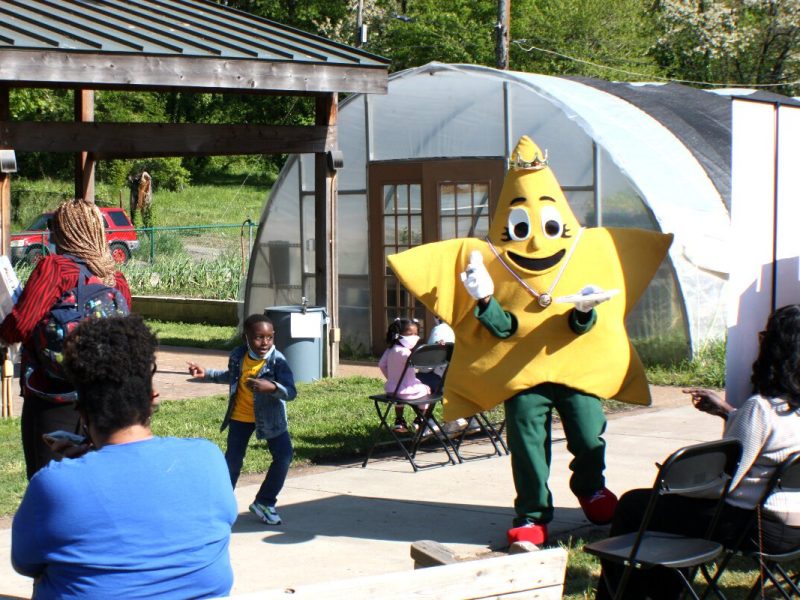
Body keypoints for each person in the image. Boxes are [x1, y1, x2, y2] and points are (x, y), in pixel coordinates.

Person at [11, 315, 237, 599]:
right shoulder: (209, 460)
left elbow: (25, 562)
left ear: (81, 413)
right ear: (152, 398)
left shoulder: (55, 484)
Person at [595, 304, 800, 599]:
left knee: (637, 506)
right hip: (793, 530)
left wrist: (680, 484)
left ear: (773, 349)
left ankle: (625, 594)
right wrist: (728, 412)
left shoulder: (760, 409)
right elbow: (773, 444)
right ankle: (663, 589)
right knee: (671, 510)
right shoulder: (781, 410)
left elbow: (725, 480)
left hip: (757, 528)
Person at [0, 198, 132, 480]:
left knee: (50, 484)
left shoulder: (55, 268)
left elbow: (19, 328)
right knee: (97, 482)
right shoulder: (116, 278)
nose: (51, 234)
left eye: (54, 227)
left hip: (54, 397)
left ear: (66, 232)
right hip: (106, 399)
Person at [188, 313, 296, 526]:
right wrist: (207, 374)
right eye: (258, 337)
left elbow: (291, 391)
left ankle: (265, 502)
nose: (264, 343)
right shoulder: (239, 355)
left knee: (283, 456)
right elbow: (232, 376)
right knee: (233, 462)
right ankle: (221, 506)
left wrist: (272, 387)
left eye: (269, 337)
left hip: (271, 419)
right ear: (246, 337)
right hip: (240, 417)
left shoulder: (278, 361)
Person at [378, 317, 433, 434]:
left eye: (416, 334)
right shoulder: (405, 352)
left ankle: (399, 421)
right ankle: (419, 419)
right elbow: (420, 362)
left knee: (399, 399)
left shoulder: (390, 350)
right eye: (410, 334)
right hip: (408, 392)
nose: (415, 337)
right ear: (399, 335)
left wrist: (392, 379)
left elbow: (381, 365)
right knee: (426, 389)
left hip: (392, 391)